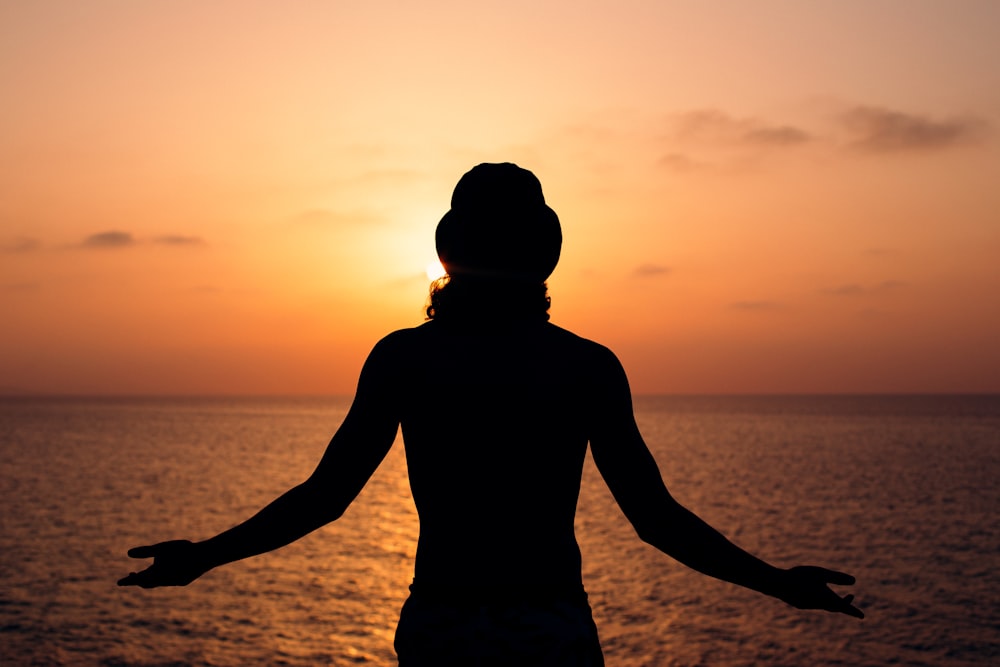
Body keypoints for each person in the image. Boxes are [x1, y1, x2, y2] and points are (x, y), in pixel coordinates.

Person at [119, 163, 863, 665]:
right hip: (551, 629)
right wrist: (777, 581)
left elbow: (325, 498)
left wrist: (205, 555)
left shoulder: (405, 358)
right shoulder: (584, 365)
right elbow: (655, 519)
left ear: (448, 254)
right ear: (545, 259)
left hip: (442, 625)